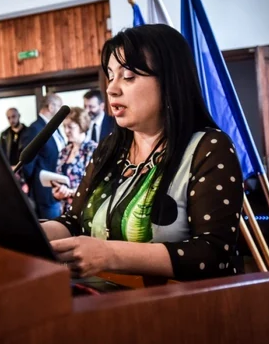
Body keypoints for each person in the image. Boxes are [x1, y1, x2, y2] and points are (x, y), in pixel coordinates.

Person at [41, 25, 244, 281]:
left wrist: (110, 254)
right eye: (110, 76)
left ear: (170, 82)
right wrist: (27, 232)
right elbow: (74, 222)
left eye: (128, 77)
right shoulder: (110, 147)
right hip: (105, 302)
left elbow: (212, 255)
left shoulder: (209, 148)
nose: (112, 89)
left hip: (181, 309)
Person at [20, 94, 66, 219]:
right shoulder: (35, 129)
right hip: (43, 193)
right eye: (60, 107)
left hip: (57, 190)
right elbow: (27, 163)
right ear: (51, 107)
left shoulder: (52, 127)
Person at [53, 107, 98, 214]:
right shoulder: (65, 151)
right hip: (65, 209)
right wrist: (56, 193)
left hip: (85, 210)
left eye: (70, 127)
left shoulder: (93, 149)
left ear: (82, 126)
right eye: (64, 127)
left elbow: (95, 184)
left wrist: (71, 192)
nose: (66, 131)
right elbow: (57, 180)